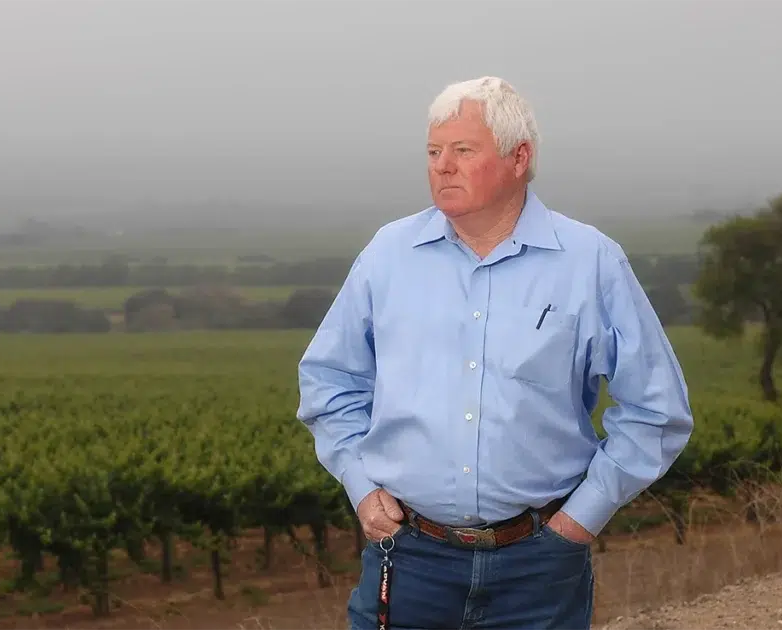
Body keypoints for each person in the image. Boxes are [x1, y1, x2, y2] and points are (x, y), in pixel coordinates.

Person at [295, 75, 694, 629]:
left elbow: (657, 410)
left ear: (519, 157)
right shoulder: (388, 255)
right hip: (409, 557)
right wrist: (361, 488)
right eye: (434, 152)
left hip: (540, 567)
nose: (442, 166)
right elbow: (328, 381)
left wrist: (579, 520)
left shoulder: (590, 262)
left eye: (463, 150)